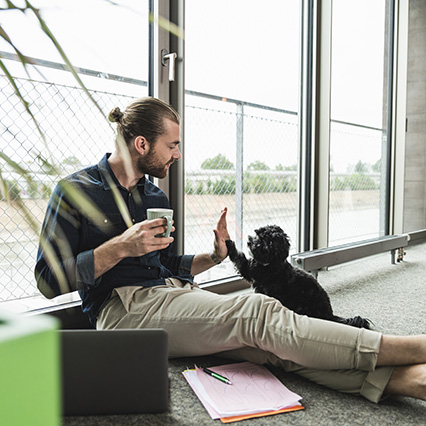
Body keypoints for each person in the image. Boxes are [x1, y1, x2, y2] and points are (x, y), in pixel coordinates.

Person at [35, 97, 426, 404]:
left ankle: (409, 381)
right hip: (121, 311)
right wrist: (120, 247)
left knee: (268, 346)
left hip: (170, 293)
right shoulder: (75, 191)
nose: (177, 153)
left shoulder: (154, 194)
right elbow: (47, 280)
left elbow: (164, 263)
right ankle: (411, 347)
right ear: (141, 144)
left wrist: (215, 256)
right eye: (172, 145)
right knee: (257, 311)